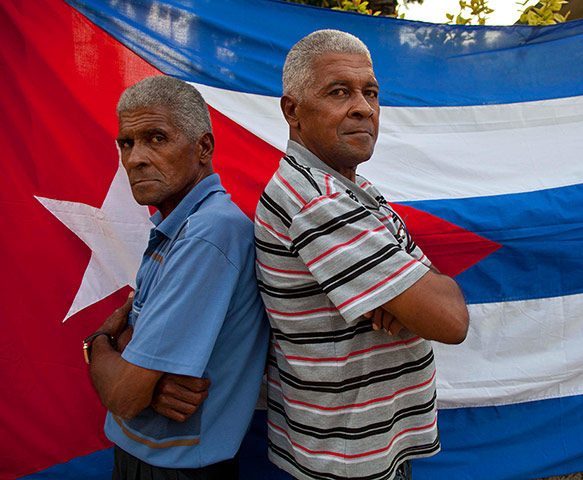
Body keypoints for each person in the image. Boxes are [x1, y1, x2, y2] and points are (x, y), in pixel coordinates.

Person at [254, 30, 469, 480]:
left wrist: (406, 294)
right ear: (292, 111)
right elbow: (451, 319)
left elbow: (432, 288)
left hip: (366, 443)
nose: (364, 108)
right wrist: (412, 295)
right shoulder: (317, 201)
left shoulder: (352, 188)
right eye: (339, 92)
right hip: (348, 459)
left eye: (371, 93)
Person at [83, 75, 269, 479]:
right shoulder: (177, 225)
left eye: (156, 138)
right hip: (155, 457)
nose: (135, 159)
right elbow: (136, 378)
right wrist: (137, 365)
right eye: (126, 143)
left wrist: (99, 342)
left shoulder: (209, 232)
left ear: (204, 147)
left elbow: (125, 395)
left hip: (173, 467)